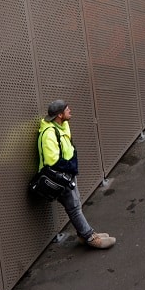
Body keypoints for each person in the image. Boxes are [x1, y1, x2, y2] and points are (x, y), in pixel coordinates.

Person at [38, 100, 115, 249]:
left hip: (68, 174)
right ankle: (90, 237)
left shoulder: (61, 126)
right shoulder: (49, 134)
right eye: (67, 109)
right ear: (59, 115)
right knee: (73, 207)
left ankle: (83, 233)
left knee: (76, 204)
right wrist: (69, 168)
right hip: (60, 177)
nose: (70, 110)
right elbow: (51, 161)